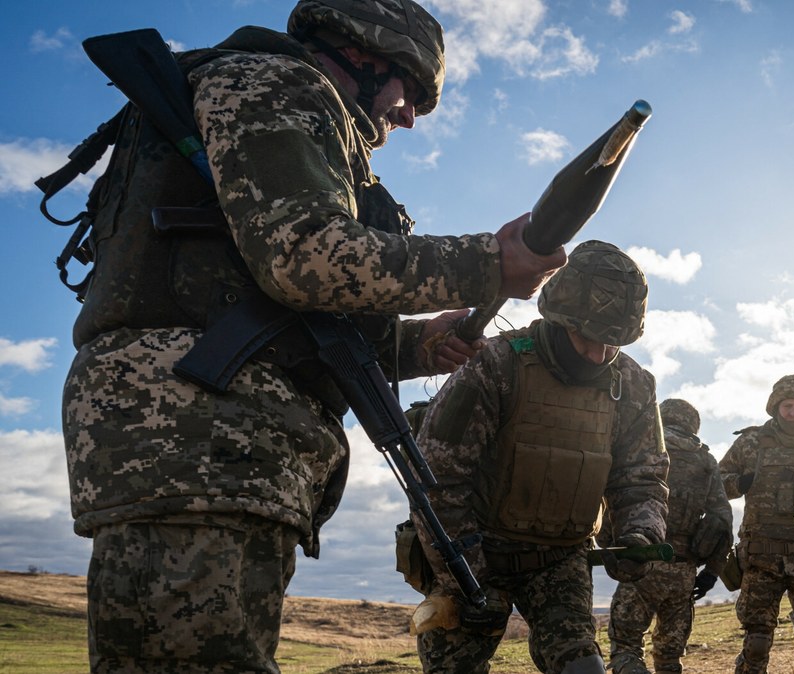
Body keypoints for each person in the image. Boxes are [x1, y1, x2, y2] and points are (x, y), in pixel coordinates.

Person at [58, 1, 566, 671]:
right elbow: (305, 256)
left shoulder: (275, 102)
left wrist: (418, 345)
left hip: (209, 438)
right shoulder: (274, 82)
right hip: (201, 434)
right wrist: (488, 264)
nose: (410, 116)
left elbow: (274, 307)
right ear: (362, 53)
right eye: (411, 89)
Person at [411, 240, 670, 674]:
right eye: (588, 337)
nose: (599, 355)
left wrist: (639, 535)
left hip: (560, 559)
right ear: (558, 317)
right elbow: (437, 479)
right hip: (474, 551)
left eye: (613, 342)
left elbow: (642, 476)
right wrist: (466, 577)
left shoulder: (633, 384)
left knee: (582, 667)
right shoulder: (497, 364)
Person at [718, 374, 794, 674]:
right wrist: (739, 483)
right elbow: (716, 483)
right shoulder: (750, 442)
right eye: (788, 405)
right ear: (775, 406)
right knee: (756, 644)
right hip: (762, 558)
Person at [606, 397, 734, 674]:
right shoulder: (705, 461)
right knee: (669, 658)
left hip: (639, 563)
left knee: (626, 649)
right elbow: (722, 520)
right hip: (683, 572)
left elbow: (611, 501)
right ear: (693, 425)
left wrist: (611, 550)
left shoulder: (643, 449)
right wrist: (712, 572)